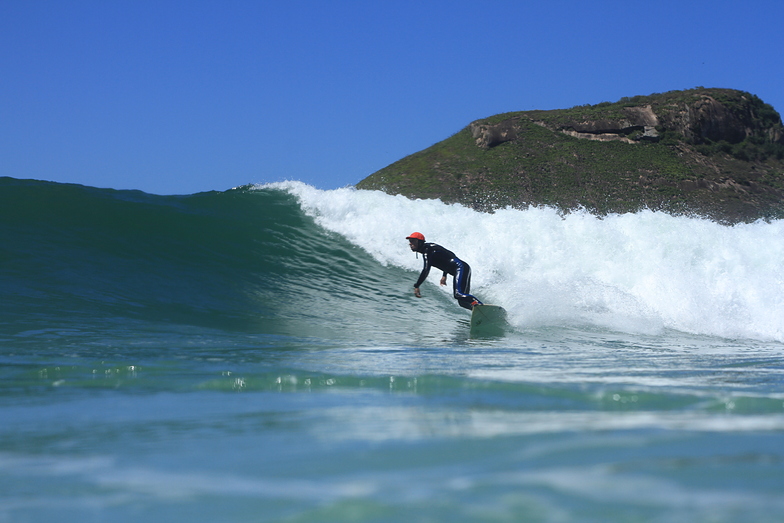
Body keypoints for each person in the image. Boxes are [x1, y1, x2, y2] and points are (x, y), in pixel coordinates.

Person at [406, 232, 483, 310]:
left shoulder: (429, 250)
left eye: (413, 241)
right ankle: (479, 311)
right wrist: (444, 275)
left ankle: (480, 305)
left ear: (420, 242)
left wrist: (417, 285)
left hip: (461, 267)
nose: (410, 243)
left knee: (458, 294)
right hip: (462, 268)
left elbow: (426, 269)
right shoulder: (428, 251)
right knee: (462, 302)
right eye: (410, 241)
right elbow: (445, 259)